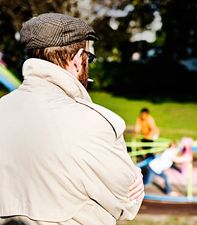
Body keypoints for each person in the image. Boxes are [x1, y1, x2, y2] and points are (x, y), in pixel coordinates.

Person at [0, 13, 144, 225]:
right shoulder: (96, 122)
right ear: (77, 60)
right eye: (89, 58)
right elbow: (126, 202)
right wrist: (136, 175)